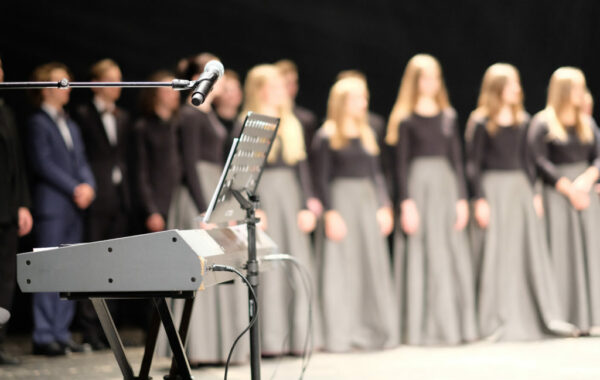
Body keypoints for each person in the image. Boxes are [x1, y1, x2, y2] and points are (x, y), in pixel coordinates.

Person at [466, 63, 578, 341]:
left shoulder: (524, 121)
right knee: (496, 253)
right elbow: (473, 165)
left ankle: (528, 314)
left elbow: (529, 162)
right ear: (497, 89)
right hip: (494, 191)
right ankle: (495, 317)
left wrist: (535, 193)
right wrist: (479, 198)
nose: (517, 89)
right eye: (511, 84)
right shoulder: (481, 122)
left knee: (522, 252)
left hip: (519, 191)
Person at [160, 54, 249, 365]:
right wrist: (205, 209)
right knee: (198, 271)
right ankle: (196, 347)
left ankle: (214, 345)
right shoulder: (191, 114)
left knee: (215, 270)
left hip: (211, 190)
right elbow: (189, 163)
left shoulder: (207, 115)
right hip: (197, 195)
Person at [387, 54, 477, 345]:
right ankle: (419, 328)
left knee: (449, 253)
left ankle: (454, 326)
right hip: (419, 190)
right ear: (414, 82)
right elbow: (400, 165)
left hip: (446, 189)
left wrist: (463, 199)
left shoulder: (448, 116)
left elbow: (457, 161)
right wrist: (406, 202)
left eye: (435, 77)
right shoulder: (405, 119)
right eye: (425, 77)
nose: (431, 83)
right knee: (421, 254)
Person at [238, 64, 322, 355]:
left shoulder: (292, 122)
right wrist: (255, 205)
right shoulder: (250, 121)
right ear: (258, 90)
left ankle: (299, 338)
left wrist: (306, 203)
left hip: (291, 197)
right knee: (269, 269)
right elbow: (246, 172)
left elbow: (303, 168)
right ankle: (271, 340)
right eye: (272, 87)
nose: (280, 92)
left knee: (295, 265)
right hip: (267, 199)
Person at [312, 76, 397, 352]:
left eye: (365, 97)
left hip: (367, 205)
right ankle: (342, 332)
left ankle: (373, 329)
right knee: (342, 269)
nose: (364, 103)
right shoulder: (326, 135)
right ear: (342, 102)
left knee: (370, 266)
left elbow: (378, 175)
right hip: (342, 205)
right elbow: (320, 179)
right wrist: (330, 212)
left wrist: (384, 205)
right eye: (358, 98)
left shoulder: (368, 133)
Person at [27, 62, 96, 356]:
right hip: (53, 206)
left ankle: (61, 331)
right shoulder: (37, 122)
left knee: (69, 271)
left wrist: (89, 186)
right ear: (45, 88)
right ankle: (44, 334)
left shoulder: (69, 123)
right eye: (60, 82)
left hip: (73, 208)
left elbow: (81, 161)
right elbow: (43, 163)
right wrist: (74, 188)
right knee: (48, 269)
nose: (67, 86)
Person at [528, 67, 600, 335]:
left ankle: (594, 316)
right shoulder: (543, 122)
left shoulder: (587, 123)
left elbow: (597, 156)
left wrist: (587, 179)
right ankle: (567, 316)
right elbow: (539, 160)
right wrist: (568, 188)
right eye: (577, 88)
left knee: (591, 253)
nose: (582, 94)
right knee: (563, 254)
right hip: (558, 195)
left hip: (586, 193)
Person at [72, 58, 132, 350]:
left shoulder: (122, 117)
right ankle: (88, 329)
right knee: (92, 264)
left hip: (119, 199)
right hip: (96, 198)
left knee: (116, 265)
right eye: (112, 80)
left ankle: (110, 330)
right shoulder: (82, 115)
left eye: (120, 79)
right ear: (96, 84)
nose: (118, 86)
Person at [0, 56, 33, 365]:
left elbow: (18, 166)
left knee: (6, 280)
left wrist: (23, 203)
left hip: (8, 210)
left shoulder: (6, 111)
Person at [135, 70, 182, 233]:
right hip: (157, 206)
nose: (174, 95)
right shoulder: (143, 127)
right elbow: (140, 172)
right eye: (168, 90)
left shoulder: (178, 126)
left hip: (178, 203)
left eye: (175, 90)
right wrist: (151, 210)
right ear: (155, 94)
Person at [276, 59, 319, 147]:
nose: (292, 88)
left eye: (294, 83)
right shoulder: (263, 118)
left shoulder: (306, 119)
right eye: (286, 84)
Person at [213, 69, 243, 138]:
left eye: (237, 89)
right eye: (228, 90)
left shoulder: (240, 124)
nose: (235, 94)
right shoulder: (210, 122)